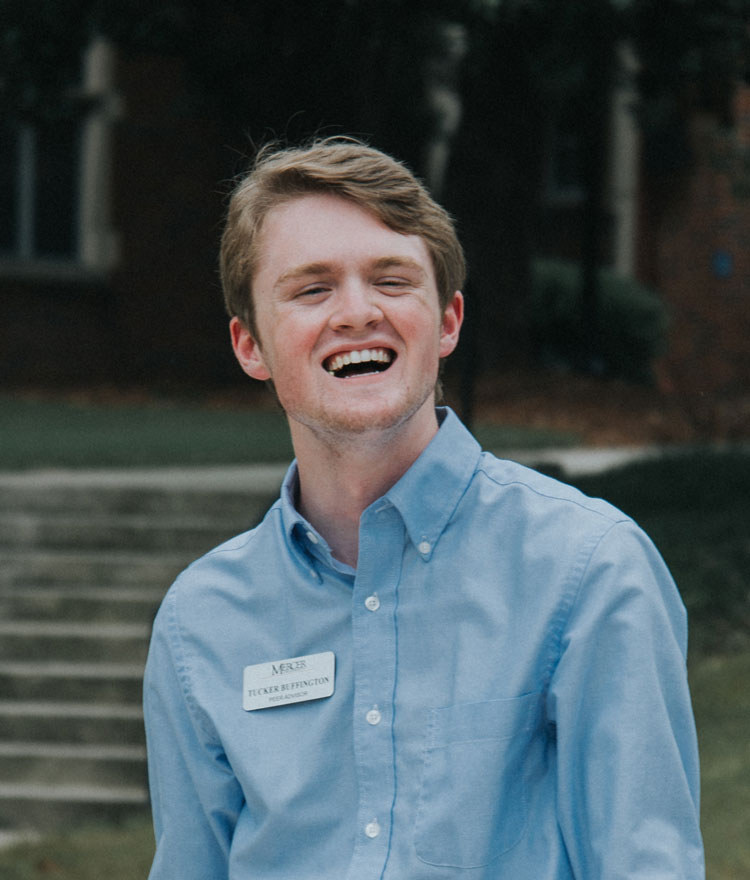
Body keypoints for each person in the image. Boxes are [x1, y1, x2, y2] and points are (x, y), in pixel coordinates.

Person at [143, 138, 704, 879]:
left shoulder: (589, 571)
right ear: (251, 346)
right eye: (312, 289)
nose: (357, 311)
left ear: (447, 322)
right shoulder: (200, 625)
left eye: (391, 279)